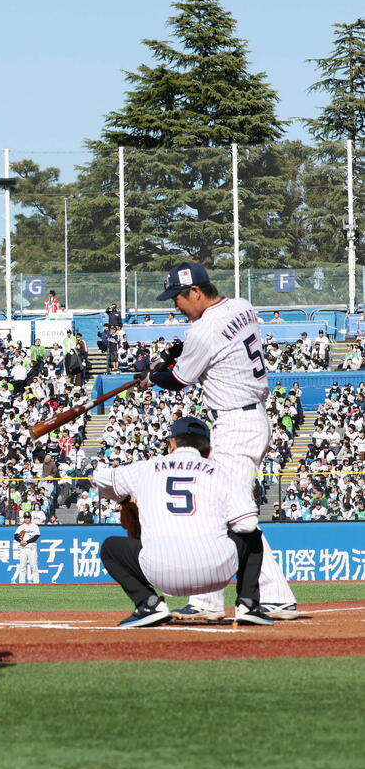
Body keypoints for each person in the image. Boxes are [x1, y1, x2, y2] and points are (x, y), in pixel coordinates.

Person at [148, 261, 298, 620]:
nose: (175, 307)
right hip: (251, 417)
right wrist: (172, 353)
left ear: (195, 292)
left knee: (228, 514)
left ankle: (269, 597)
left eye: (178, 299)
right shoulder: (242, 306)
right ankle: (216, 601)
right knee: (227, 512)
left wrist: (154, 374)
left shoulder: (202, 332)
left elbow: (178, 381)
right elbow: (212, 336)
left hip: (235, 423)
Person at [93, 417, 272, 627]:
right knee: (252, 534)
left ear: (172, 444)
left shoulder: (147, 468)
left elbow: (100, 478)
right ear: (208, 450)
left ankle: (149, 603)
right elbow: (248, 523)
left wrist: (122, 498)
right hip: (216, 572)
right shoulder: (220, 472)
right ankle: (248, 604)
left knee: (110, 547)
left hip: (160, 573)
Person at [13, 512, 40, 584]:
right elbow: (15, 536)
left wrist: (27, 542)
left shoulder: (35, 526)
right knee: (22, 567)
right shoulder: (21, 527)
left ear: (30, 518)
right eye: (25, 518)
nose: (26, 519)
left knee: (34, 566)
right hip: (23, 548)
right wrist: (20, 541)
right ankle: (22, 583)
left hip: (31, 548)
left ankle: (36, 582)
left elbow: (36, 536)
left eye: (28, 518)